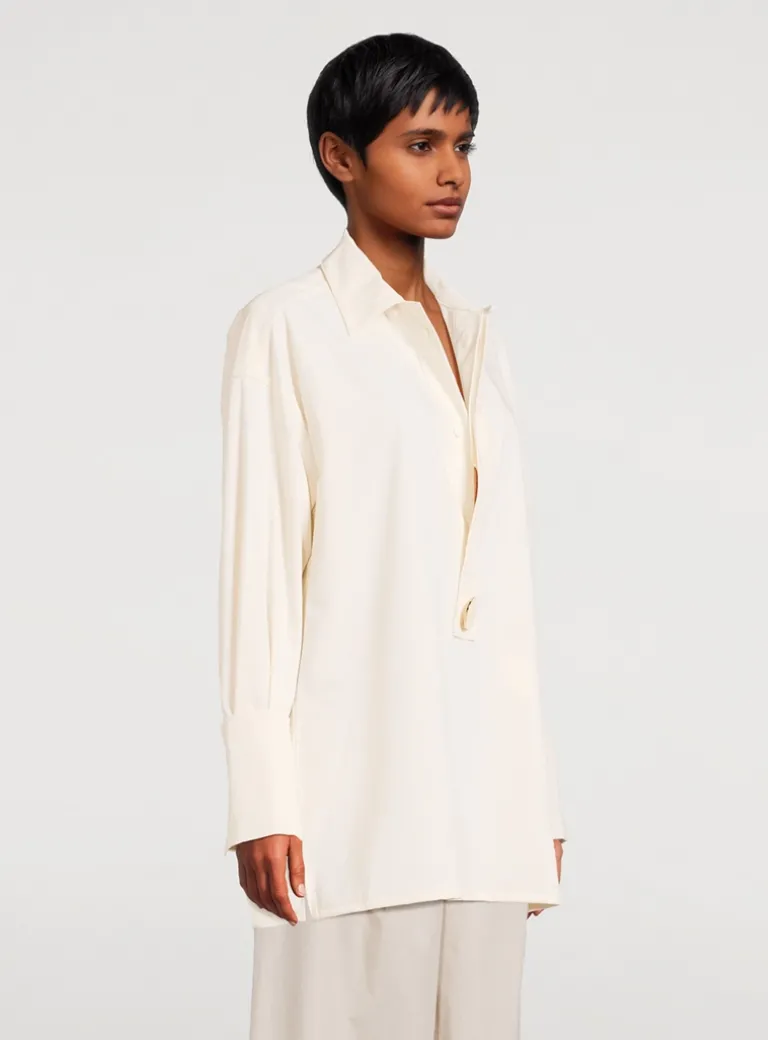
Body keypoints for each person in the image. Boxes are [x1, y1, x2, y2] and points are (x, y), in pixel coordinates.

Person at [218, 31, 568, 1040]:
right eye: (421, 145)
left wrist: (533, 797)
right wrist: (262, 798)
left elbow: (504, 589)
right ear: (341, 156)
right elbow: (261, 573)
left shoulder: (479, 336)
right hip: (349, 795)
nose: (453, 172)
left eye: (464, 144)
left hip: (483, 800)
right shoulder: (289, 328)